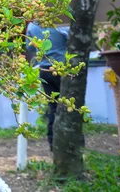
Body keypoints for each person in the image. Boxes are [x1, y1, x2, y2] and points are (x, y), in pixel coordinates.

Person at [25, 21, 69, 150]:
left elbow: (30, 48)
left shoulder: (32, 26)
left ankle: (53, 143)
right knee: (69, 107)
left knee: (53, 107)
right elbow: (73, 42)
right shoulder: (61, 23)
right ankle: (73, 142)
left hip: (45, 70)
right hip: (62, 69)